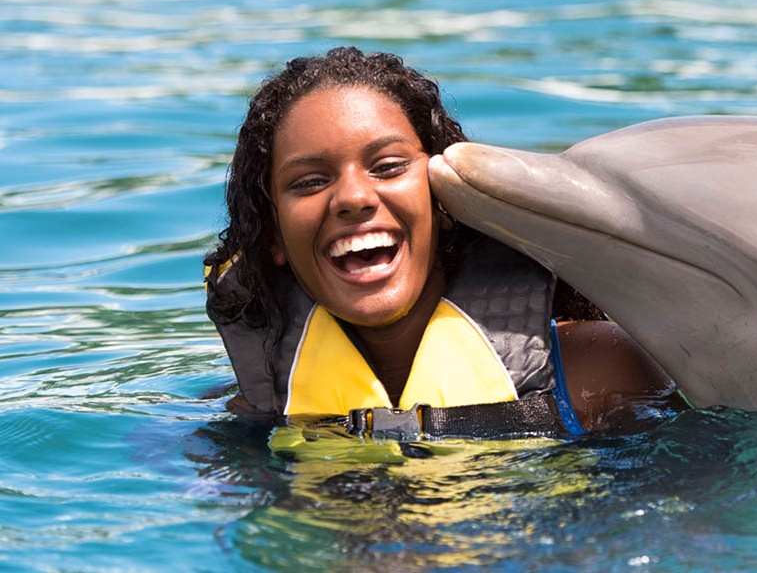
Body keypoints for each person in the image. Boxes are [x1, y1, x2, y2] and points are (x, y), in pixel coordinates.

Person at [204, 47, 684, 439]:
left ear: (445, 201)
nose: (352, 197)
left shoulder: (601, 373)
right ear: (273, 238)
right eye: (309, 182)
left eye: (389, 167)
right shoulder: (254, 411)